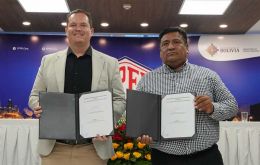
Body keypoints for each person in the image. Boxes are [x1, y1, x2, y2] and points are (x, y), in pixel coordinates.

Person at [29, 9, 125, 165]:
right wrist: (38, 105)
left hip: (93, 150)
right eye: (73, 25)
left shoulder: (109, 63)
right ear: (66, 30)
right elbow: (34, 96)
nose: (78, 28)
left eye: (83, 25)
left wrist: (107, 122)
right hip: (54, 149)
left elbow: (119, 99)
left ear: (91, 31)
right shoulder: (48, 61)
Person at [136, 27, 238, 165]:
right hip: (163, 158)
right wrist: (143, 133)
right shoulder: (146, 81)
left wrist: (212, 108)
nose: (170, 47)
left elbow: (232, 106)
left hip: (205, 158)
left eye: (176, 42)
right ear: (160, 52)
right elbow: (141, 119)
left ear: (187, 48)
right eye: (165, 44)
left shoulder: (208, 76)